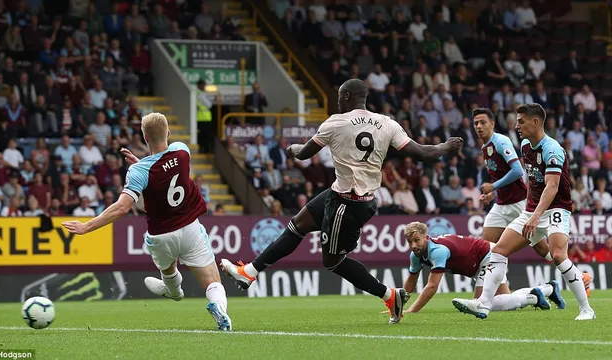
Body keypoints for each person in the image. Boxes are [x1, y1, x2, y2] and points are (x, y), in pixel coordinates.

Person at [221, 79, 463, 325]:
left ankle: (389, 295)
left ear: (346, 96)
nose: (337, 101)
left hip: (346, 204)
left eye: (339, 96)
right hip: (349, 195)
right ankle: (249, 272)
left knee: (332, 261)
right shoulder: (386, 123)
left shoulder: (336, 122)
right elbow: (423, 153)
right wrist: (446, 145)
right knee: (297, 224)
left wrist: (293, 149)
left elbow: (305, 153)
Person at [62, 112, 232, 331]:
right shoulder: (182, 150)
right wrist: (142, 164)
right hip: (190, 227)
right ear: (168, 132)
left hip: (160, 235)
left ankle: (173, 292)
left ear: (144, 137)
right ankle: (219, 309)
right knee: (212, 281)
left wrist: (87, 226)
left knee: (169, 269)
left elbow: (122, 207)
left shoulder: (139, 171)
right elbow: (164, 168)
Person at [453, 103, 596, 321]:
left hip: (556, 208)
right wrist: (524, 208)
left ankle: (586, 309)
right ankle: (483, 304)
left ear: (535, 122)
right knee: (498, 250)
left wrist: (536, 215)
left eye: (521, 121)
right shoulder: (526, 145)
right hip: (531, 209)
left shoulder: (552, 149)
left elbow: (552, 187)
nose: (516, 125)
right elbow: (532, 181)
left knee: (557, 255)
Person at [402, 222, 592, 313]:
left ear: (426, 238)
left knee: (481, 302)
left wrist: (412, 310)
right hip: (482, 261)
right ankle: (548, 289)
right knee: (504, 300)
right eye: (410, 242)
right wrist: (399, 304)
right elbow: (411, 281)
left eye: (417, 240)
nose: (413, 246)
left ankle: (533, 297)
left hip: (488, 257)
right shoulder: (416, 255)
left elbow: (432, 286)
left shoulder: (437, 251)